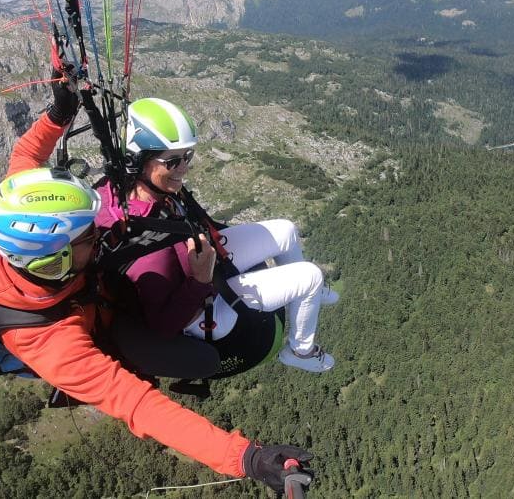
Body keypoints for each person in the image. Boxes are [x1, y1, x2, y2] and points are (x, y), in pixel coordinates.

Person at [0, 70, 312, 489]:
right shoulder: (50, 343)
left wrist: (59, 113)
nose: (99, 232)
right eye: (87, 236)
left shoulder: (24, 210)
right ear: (56, 261)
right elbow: (140, 406)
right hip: (123, 326)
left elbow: (25, 158)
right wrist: (247, 458)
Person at [96, 96, 337, 373]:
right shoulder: (144, 244)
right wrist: (200, 280)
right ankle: (300, 350)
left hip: (201, 261)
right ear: (138, 160)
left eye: (188, 156)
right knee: (309, 277)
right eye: (173, 161)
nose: (184, 168)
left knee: (286, 231)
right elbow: (164, 326)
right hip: (204, 309)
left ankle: (311, 297)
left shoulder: (131, 186)